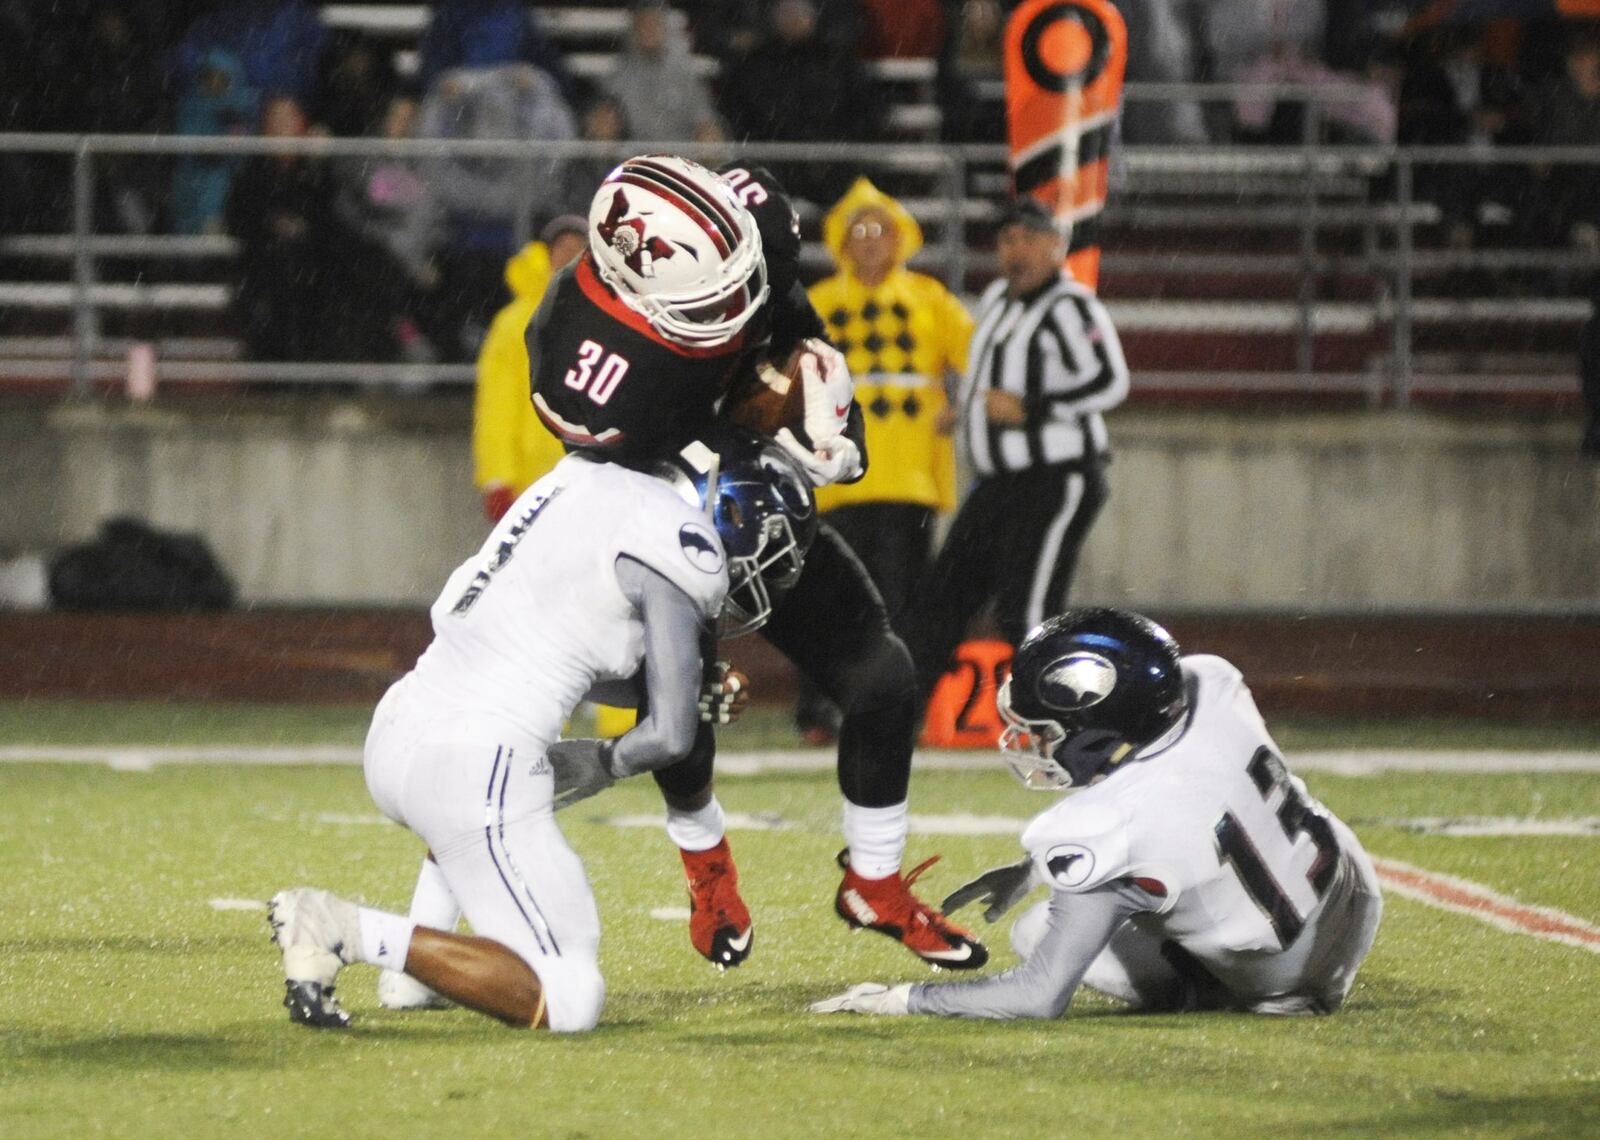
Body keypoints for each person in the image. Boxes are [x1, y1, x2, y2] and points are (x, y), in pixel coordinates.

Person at [524, 155, 989, 973]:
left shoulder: (752, 263)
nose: (746, 307)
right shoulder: (585, 338)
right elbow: (601, 463)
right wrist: (714, 453)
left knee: (881, 675)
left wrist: (828, 433)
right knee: (680, 710)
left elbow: (806, 349)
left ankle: (874, 881)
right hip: (642, 510)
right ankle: (707, 867)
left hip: (747, 497)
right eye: (723, 290)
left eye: (754, 277)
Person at [266, 428, 815, 1032]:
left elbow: (554, 650)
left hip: (401, 730)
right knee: (570, 995)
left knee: (491, 814)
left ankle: (413, 971)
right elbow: (670, 737)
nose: (763, 568)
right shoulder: (680, 547)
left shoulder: (580, 483)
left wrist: (684, 685)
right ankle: (340, 927)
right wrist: (605, 761)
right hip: (472, 764)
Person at [811, 607, 1384, 1020]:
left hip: (1283, 981)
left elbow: (1036, 996)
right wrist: (1034, 869)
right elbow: (1196, 799)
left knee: (1037, 934)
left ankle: (1207, 994)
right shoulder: (1210, 682)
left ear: (1100, 732)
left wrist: (903, 999)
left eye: (1044, 734)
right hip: (1353, 895)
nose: (1031, 745)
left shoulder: (1107, 825)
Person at [903, 197, 1129, 707]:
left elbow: (1111, 381)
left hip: (1056, 476)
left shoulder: (1071, 305)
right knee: (945, 596)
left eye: (1028, 238)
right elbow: (991, 382)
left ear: (1056, 244)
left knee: (1026, 608)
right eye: (1007, 239)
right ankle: (902, 720)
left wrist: (1035, 408)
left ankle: (1058, 720)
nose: (1015, 250)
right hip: (998, 481)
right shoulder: (999, 300)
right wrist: (967, 410)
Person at [794, 177, 973, 743]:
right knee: (829, 596)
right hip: (838, 478)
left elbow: (984, 355)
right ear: (842, 241)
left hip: (908, 476)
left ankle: (891, 710)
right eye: (860, 230)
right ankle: (820, 709)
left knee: (900, 603)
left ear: (901, 239)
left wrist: (962, 404)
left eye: (881, 230)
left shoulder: (931, 298)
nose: (871, 241)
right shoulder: (818, 303)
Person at [474, 215, 591, 524]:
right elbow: (497, 406)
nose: (569, 254)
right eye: (563, 246)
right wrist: (498, 478)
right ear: (546, 252)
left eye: (579, 247)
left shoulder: (600, 319)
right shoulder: (514, 324)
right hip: (530, 480)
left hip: (588, 477)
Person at [606, 2, 725, 144]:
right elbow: (607, 123)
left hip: (680, 158)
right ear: (634, 31)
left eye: (654, 24)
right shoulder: (617, 77)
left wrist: (707, 134)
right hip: (633, 158)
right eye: (644, 25)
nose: (649, 30)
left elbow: (704, 119)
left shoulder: (684, 75)